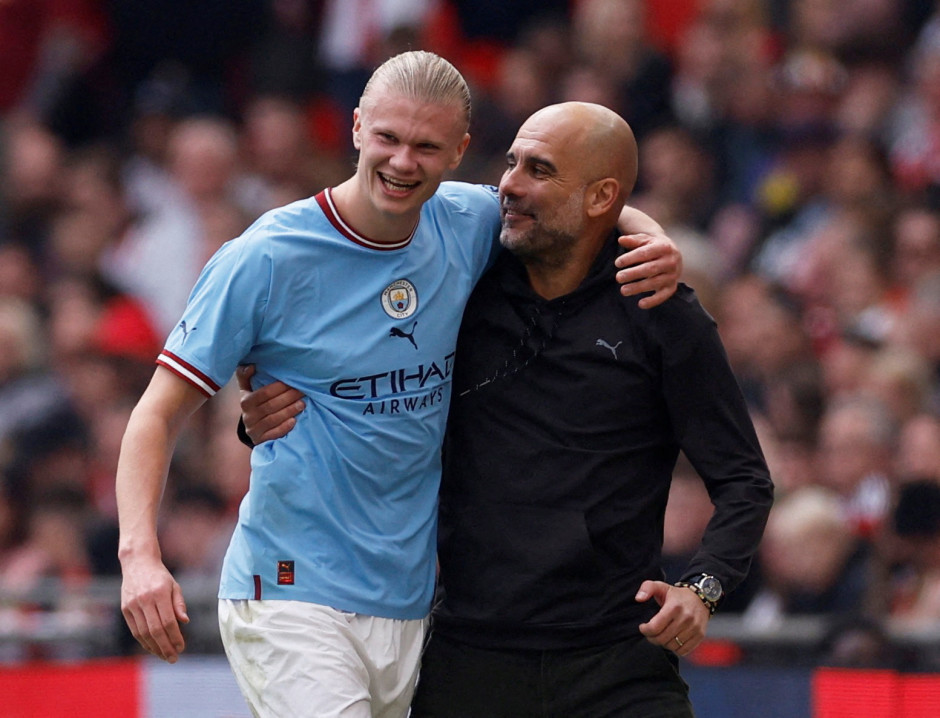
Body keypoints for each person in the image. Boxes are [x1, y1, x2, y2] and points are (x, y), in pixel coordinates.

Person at [115, 51, 681, 718]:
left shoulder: (469, 222)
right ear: (356, 126)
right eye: (388, 137)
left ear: (459, 151)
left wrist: (653, 238)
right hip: (291, 590)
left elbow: (578, 208)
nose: (403, 162)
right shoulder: (265, 257)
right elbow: (156, 414)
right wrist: (140, 557)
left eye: (426, 146)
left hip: (409, 604)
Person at [242, 101, 774, 717]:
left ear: (601, 196)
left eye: (539, 170)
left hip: (616, 664)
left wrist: (702, 587)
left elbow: (744, 479)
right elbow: (363, 388)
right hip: (470, 659)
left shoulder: (659, 309)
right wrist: (267, 417)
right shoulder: (460, 285)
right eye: (512, 162)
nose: (509, 185)